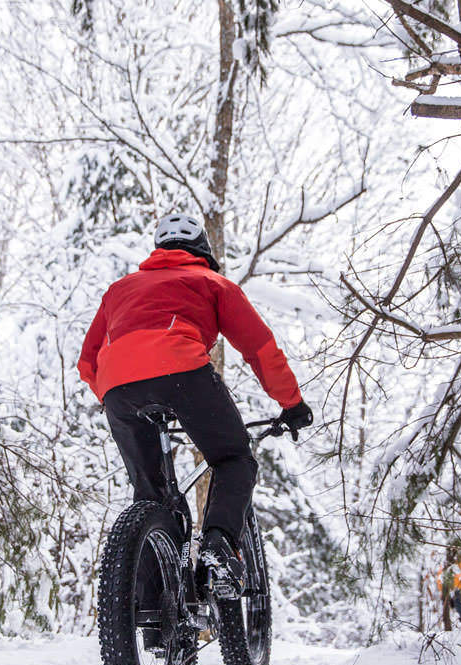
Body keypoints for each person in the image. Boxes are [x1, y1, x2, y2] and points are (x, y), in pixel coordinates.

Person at [78, 213, 312, 598]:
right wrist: (291, 402)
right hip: (183, 373)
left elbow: (87, 362)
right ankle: (219, 548)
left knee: (150, 495)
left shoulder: (119, 289)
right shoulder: (212, 283)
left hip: (118, 388)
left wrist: (114, 392)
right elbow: (259, 348)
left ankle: (152, 612)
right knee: (234, 459)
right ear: (202, 250)